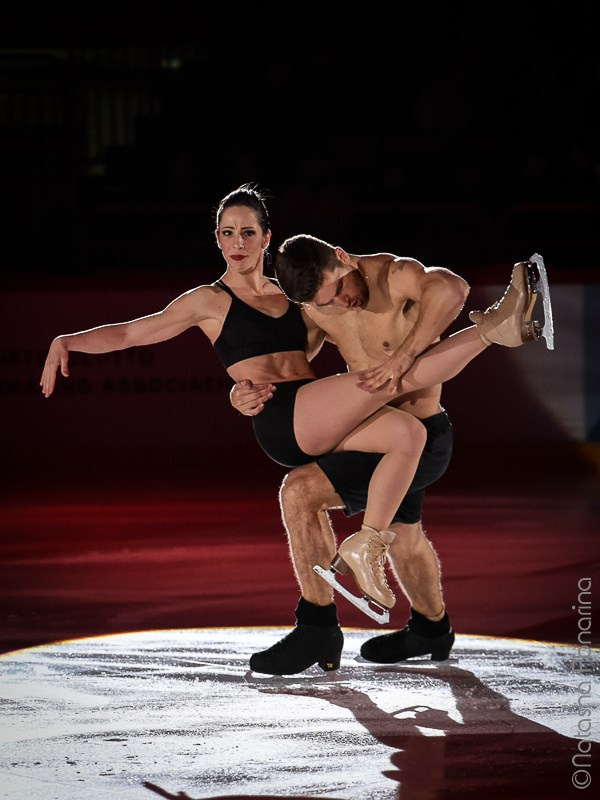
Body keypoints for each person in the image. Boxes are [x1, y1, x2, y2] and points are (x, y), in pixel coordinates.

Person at [39, 185, 542, 674]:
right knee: (387, 379)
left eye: (248, 233)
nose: (238, 243)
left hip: (320, 415)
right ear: (217, 239)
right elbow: (132, 331)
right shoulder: (207, 301)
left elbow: (339, 339)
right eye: (228, 233)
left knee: (407, 434)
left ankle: (394, 587)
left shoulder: (300, 297)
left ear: (266, 238)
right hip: (286, 420)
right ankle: (499, 327)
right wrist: (69, 340)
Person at [231, 232, 550, 675]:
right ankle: (431, 629)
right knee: (405, 534)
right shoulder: (320, 305)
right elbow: (280, 364)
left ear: (342, 258)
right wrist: (241, 392)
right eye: (328, 302)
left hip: (422, 435)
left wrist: (404, 354)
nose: (344, 304)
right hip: (375, 437)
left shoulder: (394, 275)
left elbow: (453, 288)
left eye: (341, 287)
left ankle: (316, 628)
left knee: (300, 491)